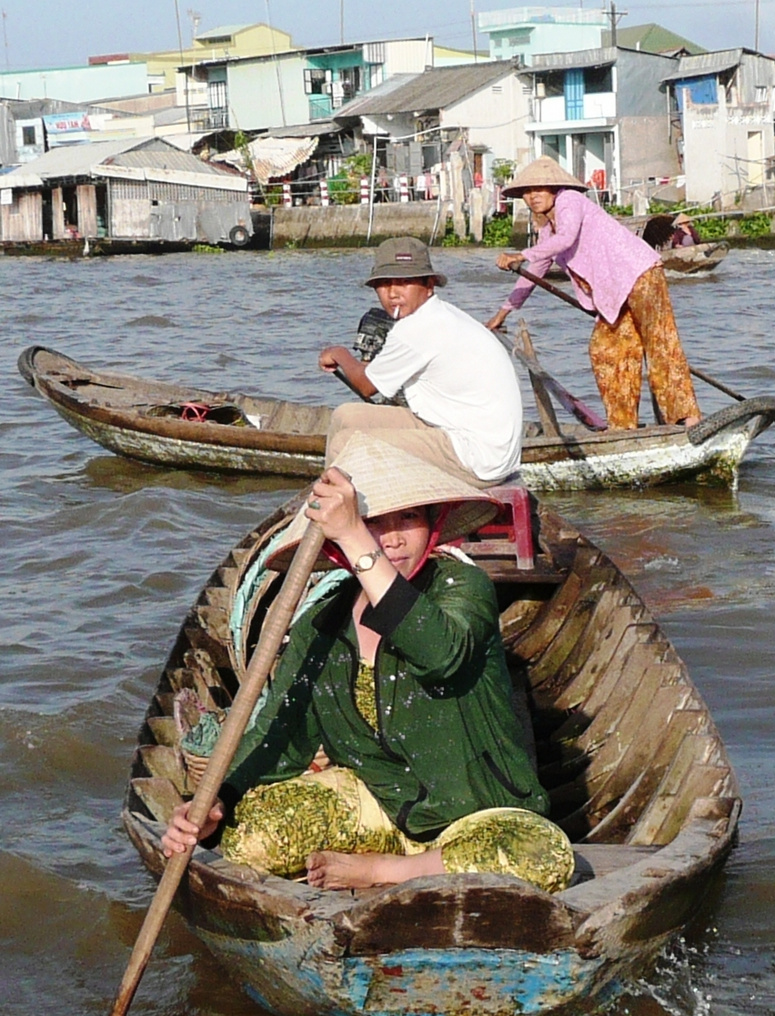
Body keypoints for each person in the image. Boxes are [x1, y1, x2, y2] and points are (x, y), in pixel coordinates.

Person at [162, 434, 575, 894]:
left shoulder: (464, 587)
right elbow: (279, 737)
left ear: (435, 524)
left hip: (478, 814)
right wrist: (213, 803)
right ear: (336, 547)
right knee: (248, 839)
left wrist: (357, 535)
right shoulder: (320, 625)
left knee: (545, 854)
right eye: (373, 522)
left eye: (409, 518)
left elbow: (441, 654)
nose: (393, 538)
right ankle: (395, 860)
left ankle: (385, 871)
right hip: (379, 804)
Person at [486, 156, 701, 432]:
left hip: (639, 274)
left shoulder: (570, 201)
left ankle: (687, 417)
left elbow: (567, 238)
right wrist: (501, 314)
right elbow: (534, 273)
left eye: (539, 189)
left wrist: (520, 254)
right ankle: (622, 426)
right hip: (613, 294)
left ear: (553, 189)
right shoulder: (546, 232)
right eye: (527, 192)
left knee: (660, 342)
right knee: (605, 349)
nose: (533, 197)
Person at [318, 236, 523, 489]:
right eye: (383, 285)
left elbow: (366, 385)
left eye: (404, 282)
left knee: (345, 443)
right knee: (345, 416)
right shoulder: (438, 314)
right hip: (463, 434)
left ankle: (339, 520)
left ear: (429, 285)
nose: (393, 293)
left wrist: (338, 353)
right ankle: (339, 503)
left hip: (478, 457)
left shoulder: (418, 328)